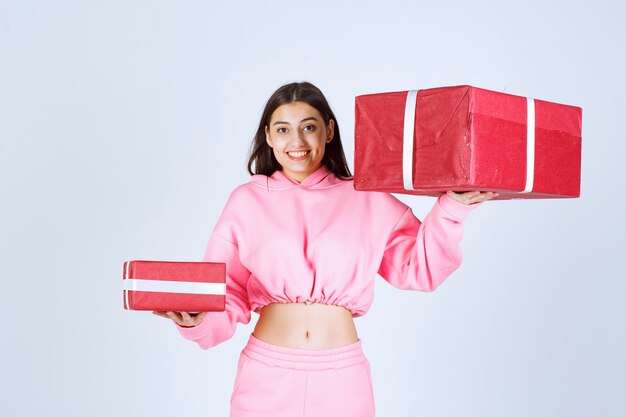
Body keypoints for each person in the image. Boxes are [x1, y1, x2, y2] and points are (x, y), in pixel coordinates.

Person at [154, 81, 497, 417]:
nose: (297, 141)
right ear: (269, 136)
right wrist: (198, 320)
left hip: (342, 381)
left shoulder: (367, 196)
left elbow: (420, 268)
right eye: (284, 130)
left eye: (309, 127)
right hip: (266, 377)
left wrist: (452, 209)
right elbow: (225, 292)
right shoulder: (246, 201)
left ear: (329, 131)